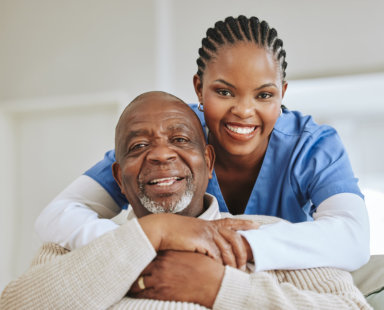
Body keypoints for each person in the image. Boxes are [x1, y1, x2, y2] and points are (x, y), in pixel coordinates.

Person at [35, 15, 370, 272]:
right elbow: (57, 214)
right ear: (199, 88)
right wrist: (156, 234)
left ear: (282, 94)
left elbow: (352, 238)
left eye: (264, 95)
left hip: (282, 275)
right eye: (224, 92)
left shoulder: (311, 146)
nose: (243, 111)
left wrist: (222, 244)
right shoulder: (171, 141)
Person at [0, 92, 372, 310]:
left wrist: (223, 288)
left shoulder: (269, 235)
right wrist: (152, 233)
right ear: (117, 177)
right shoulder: (68, 250)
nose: (161, 155)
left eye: (179, 140)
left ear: (208, 163)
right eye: (139, 146)